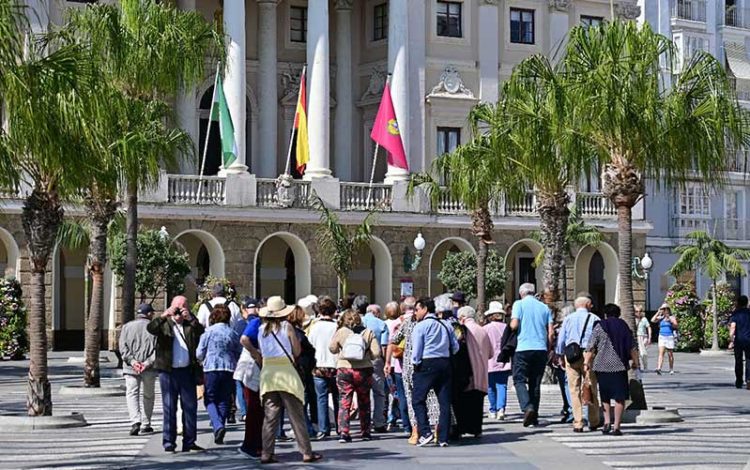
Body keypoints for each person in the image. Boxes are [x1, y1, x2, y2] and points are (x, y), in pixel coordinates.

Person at [257, 296, 322, 464]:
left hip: (268, 374)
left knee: (270, 416)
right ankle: (306, 452)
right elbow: (297, 350)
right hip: (286, 372)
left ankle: (266, 452)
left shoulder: (261, 329)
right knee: (296, 415)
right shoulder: (287, 327)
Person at [147, 295, 205, 453]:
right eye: (177, 307)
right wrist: (164, 315)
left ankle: (189, 442)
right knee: (169, 407)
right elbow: (151, 328)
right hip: (168, 371)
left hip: (187, 371)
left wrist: (191, 317)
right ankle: (169, 442)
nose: (179, 311)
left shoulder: (190, 324)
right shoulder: (165, 323)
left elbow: (201, 331)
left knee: (190, 408)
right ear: (171, 307)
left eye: (183, 307)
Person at [410, 297, 459, 447]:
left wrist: (416, 363)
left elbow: (417, 349)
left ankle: (425, 432)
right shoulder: (446, 325)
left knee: (418, 399)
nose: (415, 313)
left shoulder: (421, 326)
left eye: (417, 310)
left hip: (427, 363)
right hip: (445, 362)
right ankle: (443, 437)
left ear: (425, 309)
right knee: (444, 402)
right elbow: (455, 347)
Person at [584, 304, 639, 436]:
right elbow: (632, 346)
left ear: (605, 314)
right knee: (620, 397)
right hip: (619, 366)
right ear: (618, 313)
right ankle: (617, 426)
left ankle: (607, 422)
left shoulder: (599, 326)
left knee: (605, 395)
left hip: (601, 366)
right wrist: (635, 362)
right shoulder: (624, 326)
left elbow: (591, 346)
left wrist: (586, 362)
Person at [329, 309, 381, 443]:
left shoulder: (341, 332)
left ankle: (344, 432)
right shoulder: (368, 332)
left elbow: (332, 349)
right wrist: (365, 354)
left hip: (344, 369)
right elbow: (377, 353)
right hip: (364, 370)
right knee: (364, 401)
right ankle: (365, 432)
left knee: (344, 401)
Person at [196, 304, 242, 445]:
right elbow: (238, 351)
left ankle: (217, 424)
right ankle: (220, 425)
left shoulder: (208, 332)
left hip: (211, 368)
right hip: (228, 368)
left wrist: (201, 359)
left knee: (210, 398)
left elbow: (199, 352)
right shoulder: (232, 333)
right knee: (224, 399)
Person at [509, 283, 554, 427]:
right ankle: (534, 415)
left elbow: (514, 325)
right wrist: (549, 348)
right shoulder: (544, 307)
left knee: (519, 380)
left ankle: (527, 407)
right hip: (540, 348)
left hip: (523, 348)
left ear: (521, 293)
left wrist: (510, 326)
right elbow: (551, 332)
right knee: (535, 382)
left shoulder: (519, 304)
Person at [556, 296, 601, 432]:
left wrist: (559, 354)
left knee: (573, 389)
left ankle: (578, 421)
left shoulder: (569, 319)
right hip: (589, 355)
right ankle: (593, 421)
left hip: (571, 355)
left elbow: (561, 339)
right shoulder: (594, 318)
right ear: (587, 304)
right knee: (591, 386)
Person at [453, 306, 493, 438]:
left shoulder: (463, 331)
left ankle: (463, 428)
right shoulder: (483, 330)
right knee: (477, 403)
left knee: (464, 402)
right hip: (481, 373)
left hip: (468, 372)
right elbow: (491, 353)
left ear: (462, 318)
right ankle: (476, 429)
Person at [120, 303, 157, 436]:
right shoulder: (154, 328)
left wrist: (133, 362)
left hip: (130, 367)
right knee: (148, 395)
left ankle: (135, 421)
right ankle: (146, 423)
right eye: (152, 313)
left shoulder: (127, 327)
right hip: (149, 368)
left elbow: (123, 348)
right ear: (148, 314)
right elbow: (157, 350)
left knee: (132, 394)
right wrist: (147, 363)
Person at [308, 297, 340, 440]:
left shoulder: (314, 327)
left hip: (319, 365)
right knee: (338, 397)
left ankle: (323, 428)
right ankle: (340, 427)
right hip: (335, 365)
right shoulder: (337, 326)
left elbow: (310, 346)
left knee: (321, 398)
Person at [236, 297, 264, 460]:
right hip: (252, 368)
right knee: (254, 407)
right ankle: (251, 444)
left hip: (260, 368)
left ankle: (257, 444)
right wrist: (256, 354)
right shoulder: (256, 322)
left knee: (259, 409)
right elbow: (244, 339)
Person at [288, 304, 318, 436]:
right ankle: (307, 428)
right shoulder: (298, 334)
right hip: (301, 370)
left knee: (297, 401)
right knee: (299, 401)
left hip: (293, 369)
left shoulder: (288, 333)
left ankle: (305, 428)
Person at [362, 301, 388, 433]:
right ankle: (378, 422)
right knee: (379, 392)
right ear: (376, 313)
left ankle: (364, 423)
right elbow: (384, 346)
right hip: (375, 359)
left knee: (362, 392)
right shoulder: (381, 324)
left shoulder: (359, 321)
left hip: (359, 359)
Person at [483, 301, 511, 421]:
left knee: (490, 387)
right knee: (502, 385)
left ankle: (493, 409)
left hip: (489, 360)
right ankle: (501, 409)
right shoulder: (507, 327)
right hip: (504, 360)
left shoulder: (486, 328)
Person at [384, 301, 407, 431]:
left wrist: (386, 362)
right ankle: (396, 416)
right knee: (400, 392)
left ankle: (389, 417)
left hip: (390, 362)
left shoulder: (385, 324)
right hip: (398, 361)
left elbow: (388, 344)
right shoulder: (401, 322)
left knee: (389, 392)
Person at [551, 306, 573, 424]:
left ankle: (570, 409)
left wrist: (558, 355)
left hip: (563, 359)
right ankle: (568, 408)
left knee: (565, 385)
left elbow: (559, 343)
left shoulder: (561, 327)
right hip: (577, 357)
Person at [730, 295, 750, 389]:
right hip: (749, 339)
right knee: (749, 360)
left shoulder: (736, 313)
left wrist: (731, 339)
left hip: (739, 340)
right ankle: (749, 379)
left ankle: (739, 380)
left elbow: (733, 327)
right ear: (747, 303)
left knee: (738, 361)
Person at [652, 304, 677, 375]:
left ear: (668, 310)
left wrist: (670, 321)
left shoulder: (672, 317)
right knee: (661, 353)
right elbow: (653, 320)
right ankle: (659, 368)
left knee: (670, 354)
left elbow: (676, 325)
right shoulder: (661, 318)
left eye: (666, 309)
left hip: (669, 336)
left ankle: (671, 369)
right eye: (663, 309)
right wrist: (658, 312)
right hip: (662, 336)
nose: (665, 310)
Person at [635, 305, 651, 372]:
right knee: (637, 353)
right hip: (637, 336)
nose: (638, 312)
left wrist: (650, 337)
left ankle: (645, 366)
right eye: (636, 311)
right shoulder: (633, 319)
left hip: (643, 337)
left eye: (640, 311)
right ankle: (638, 366)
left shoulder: (644, 319)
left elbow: (649, 327)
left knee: (643, 352)